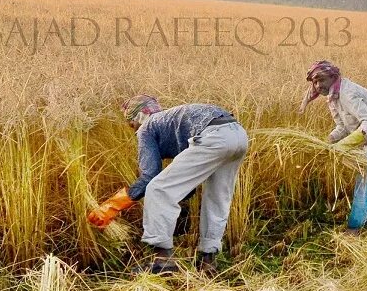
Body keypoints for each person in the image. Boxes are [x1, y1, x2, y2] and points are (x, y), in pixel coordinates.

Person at [89, 96, 248, 274]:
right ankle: (208, 263)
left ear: (139, 116)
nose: (133, 130)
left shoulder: (147, 127)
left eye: (131, 124)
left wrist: (112, 206)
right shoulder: (171, 121)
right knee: (217, 198)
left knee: (157, 190)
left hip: (213, 137)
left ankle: (163, 260)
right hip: (238, 135)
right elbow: (187, 183)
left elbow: (150, 177)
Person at [299, 60, 367, 233]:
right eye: (314, 82)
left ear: (333, 77)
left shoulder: (347, 94)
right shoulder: (333, 97)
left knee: (365, 182)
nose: (318, 85)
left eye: (321, 80)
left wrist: (342, 146)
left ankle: (354, 227)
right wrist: (328, 141)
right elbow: (342, 127)